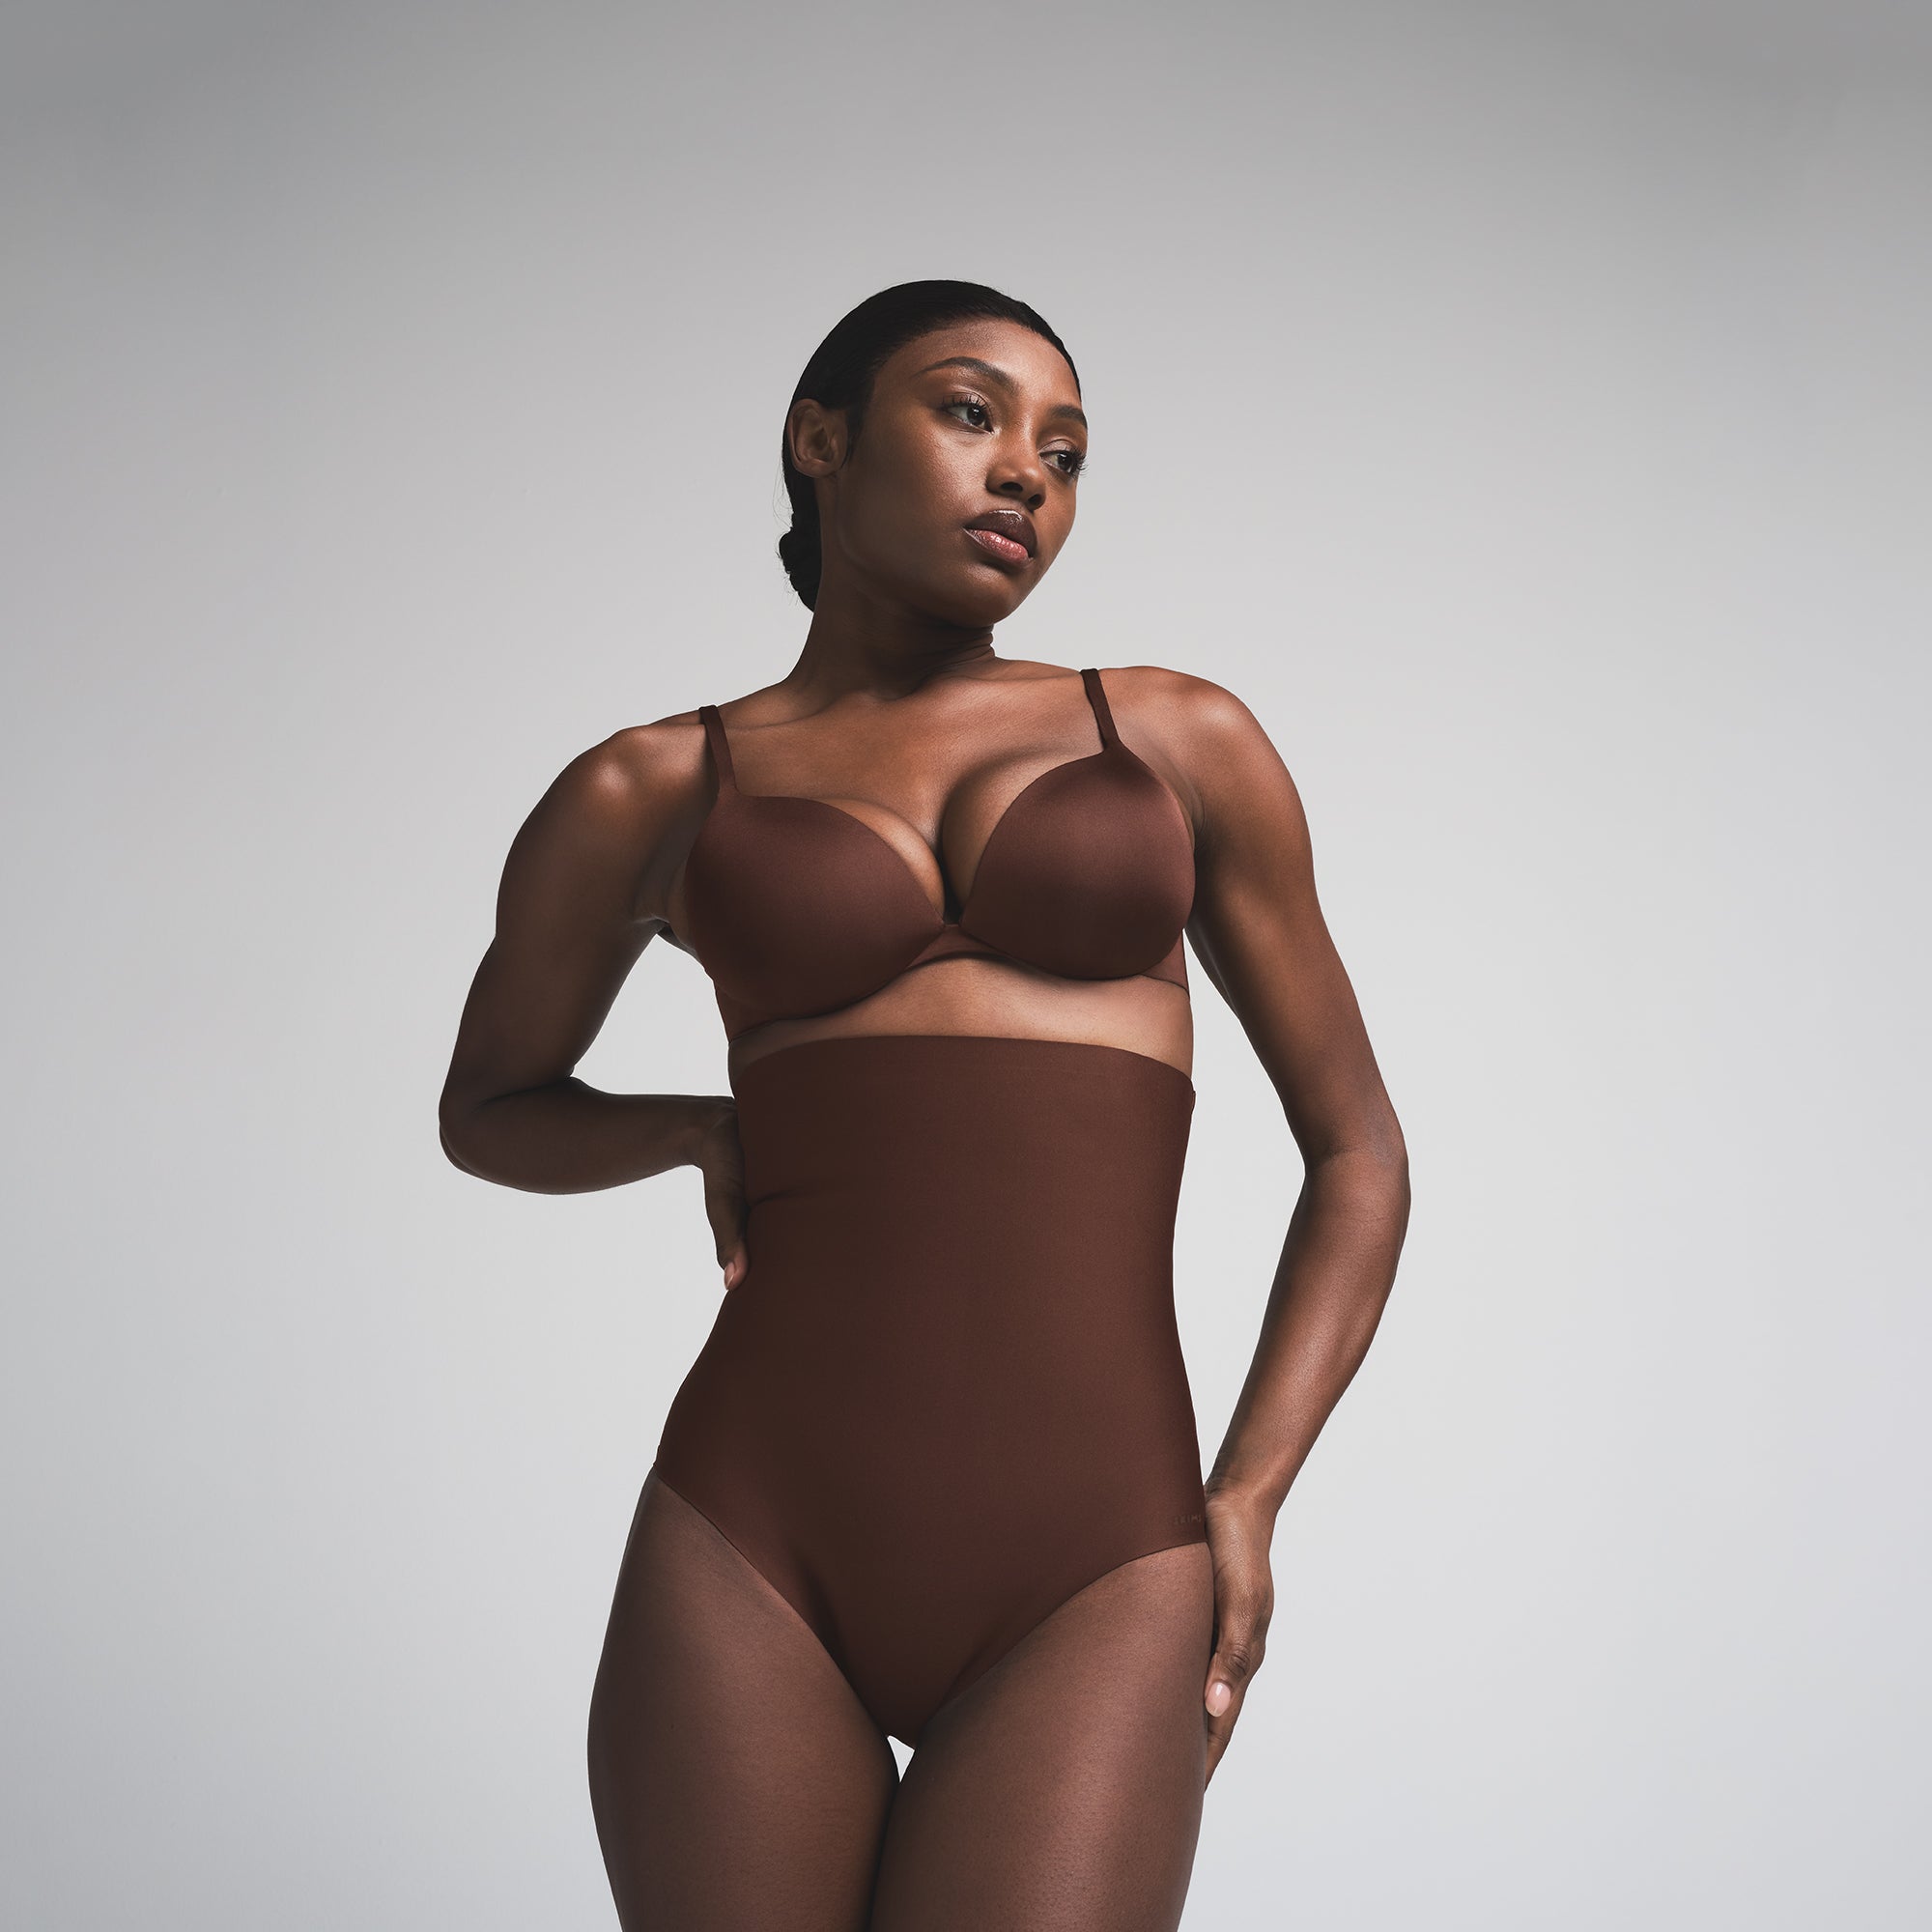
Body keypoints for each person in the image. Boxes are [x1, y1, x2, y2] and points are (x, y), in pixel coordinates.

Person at [438, 279, 1410, 1930]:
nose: (1027, 470)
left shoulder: (1173, 739)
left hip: (1099, 1557)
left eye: (1067, 452)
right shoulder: (653, 786)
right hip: (752, 1534)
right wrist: (690, 1129)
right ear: (820, 441)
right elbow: (489, 1107)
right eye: (972, 413)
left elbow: (1358, 1154)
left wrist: (1246, 1500)